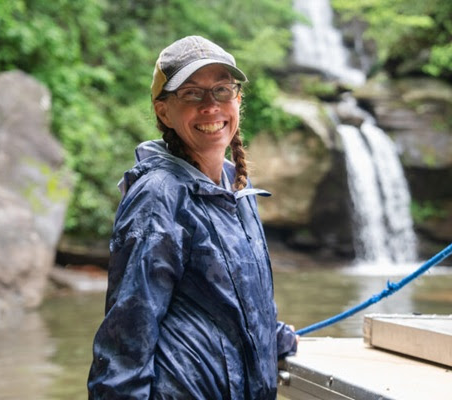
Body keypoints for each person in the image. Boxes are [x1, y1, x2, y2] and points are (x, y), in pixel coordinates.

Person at [87, 35, 298, 399]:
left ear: (238, 100)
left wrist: (272, 335)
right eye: (191, 94)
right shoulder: (158, 196)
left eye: (221, 90)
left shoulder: (237, 186)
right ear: (163, 110)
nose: (210, 106)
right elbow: (124, 343)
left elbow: (220, 298)